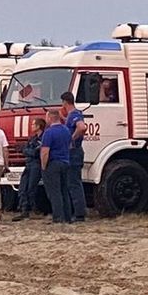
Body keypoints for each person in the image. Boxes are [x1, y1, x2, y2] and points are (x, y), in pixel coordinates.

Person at [40, 109, 74, 224]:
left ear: (50, 118)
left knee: (54, 192)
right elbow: (70, 145)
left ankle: (58, 217)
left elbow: (45, 151)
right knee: (64, 190)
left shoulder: (49, 133)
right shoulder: (66, 130)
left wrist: (44, 166)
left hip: (53, 164)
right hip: (65, 162)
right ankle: (67, 217)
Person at [60, 92, 88, 222]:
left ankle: (79, 214)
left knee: (74, 183)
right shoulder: (71, 116)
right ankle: (77, 211)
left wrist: (71, 139)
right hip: (74, 152)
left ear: (65, 102)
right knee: (72, 182)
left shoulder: (76, 114)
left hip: (74, 152)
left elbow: (81, 127)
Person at [13, 117, 45, 221]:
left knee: (31, 188)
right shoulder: (33, 139)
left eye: (33, 124)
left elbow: (36, 153)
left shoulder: (43, 138)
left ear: (38, 126)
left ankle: (35, 209)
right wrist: (29, 151)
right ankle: (24, 210)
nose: (31, 126)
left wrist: (28, 151)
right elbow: (26, 151)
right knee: (23, 187)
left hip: (36, 165)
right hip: (29, 164)